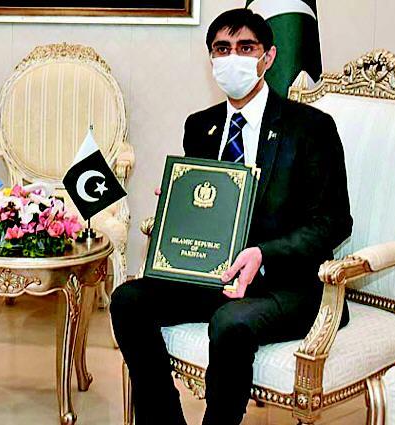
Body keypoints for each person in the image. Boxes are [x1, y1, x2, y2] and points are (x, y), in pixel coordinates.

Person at [110, 8, 352, 425]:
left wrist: (264, 253)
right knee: (128, 300)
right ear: (211, 59)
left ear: (268, 56)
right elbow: (207, 212)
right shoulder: (199, 126)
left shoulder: (310, 127)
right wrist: (177, 208)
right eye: (222, 49)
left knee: (230, 323)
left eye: (246, 48)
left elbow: (334, 222)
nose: (232, 58)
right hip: (215, 276)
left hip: (286, 282)